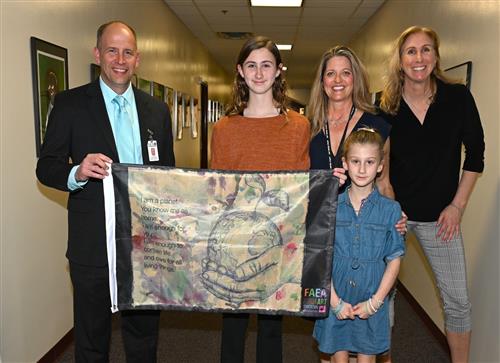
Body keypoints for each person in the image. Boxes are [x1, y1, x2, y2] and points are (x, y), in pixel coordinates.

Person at [36, 21, 175, 362]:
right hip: (92, 245)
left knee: (143, 339)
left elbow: (168, 176)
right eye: (112, 50)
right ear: (98, 54)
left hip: (146, 246)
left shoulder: (157, 110)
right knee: (92, 340)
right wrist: (77, 172)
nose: (120, 59)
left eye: (128, 52)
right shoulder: (69, 104)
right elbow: (46, 166)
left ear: (137, 59)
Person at [379, 26, 485, 363]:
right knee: (383, 297)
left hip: (442, 217)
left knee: (457, 300)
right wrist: (390, 203)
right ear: (400, 60)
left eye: (426, 50)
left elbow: (476, 155)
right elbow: (381, 163)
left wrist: (457, 205)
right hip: (395, 215)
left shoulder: (457, 98)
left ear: (436, 57)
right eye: (411, 51)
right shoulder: (386, 105)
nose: (419, 58)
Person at [209, 36, 310, 363]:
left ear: (279, 70)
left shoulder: (298, 126)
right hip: (234, 243)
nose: (259, 73)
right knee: (233, 326)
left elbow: (302, 190)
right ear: (240, 71)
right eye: (251, 65)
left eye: (267, 65)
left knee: (271, 328)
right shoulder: (224, 128)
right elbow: (217, 191)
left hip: (277, 242)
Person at [308, 45, 404, 363]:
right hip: (327, 242)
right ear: (322, 81)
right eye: (331, 73)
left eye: (345, 72)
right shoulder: (308, 129)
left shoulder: (377, 126)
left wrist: (395, 221)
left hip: (368, 240)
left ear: (356, 79)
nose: (338, 80)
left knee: (371, 337)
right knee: (331, 339)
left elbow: (385, 182)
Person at [313, 128, 405, 363]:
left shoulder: (391, 210)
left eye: (369, 162)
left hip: (372, 295)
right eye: (355, 161)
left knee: (367, 358)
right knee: (337, 355)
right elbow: (321, 258)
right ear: (345, 163)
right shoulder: (330, 206)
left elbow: (394, 259)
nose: (362, 169)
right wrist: (334, 302)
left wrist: (375, 303)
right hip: (336, 295)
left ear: (380, 166)